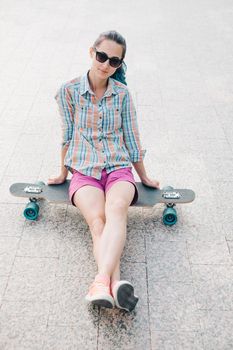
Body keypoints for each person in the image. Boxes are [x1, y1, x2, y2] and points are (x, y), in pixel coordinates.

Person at [48, 30, 160, 312]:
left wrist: (143, 175)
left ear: (119, 65)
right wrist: (62, 173)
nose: (105, 65)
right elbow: (67, 133)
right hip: (84, 169)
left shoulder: (122, 94)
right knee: (97, 222)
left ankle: (100, 283)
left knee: (117, 209)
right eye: (101, 57)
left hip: (118, 167)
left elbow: (132, 137)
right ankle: (117, 284)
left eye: (113, 61)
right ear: (91, 52)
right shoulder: (69, 90)